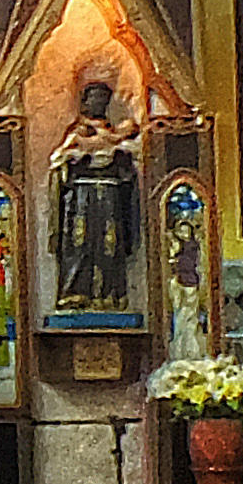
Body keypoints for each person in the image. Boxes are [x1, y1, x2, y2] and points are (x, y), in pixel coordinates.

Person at [52, 73, 143, 317]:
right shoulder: (78, 131)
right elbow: (59, 162)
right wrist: (76, 157)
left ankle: (109, 294)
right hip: (82, 197)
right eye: (94, 98)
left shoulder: (113, 131)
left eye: (104, 98)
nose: (98, 103)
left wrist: (119, 156)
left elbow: (128, 168)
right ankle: (75, 293)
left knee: (110, 246)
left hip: (110, 199)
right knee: (80, 244)